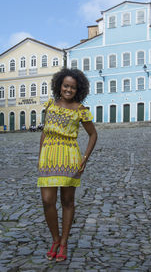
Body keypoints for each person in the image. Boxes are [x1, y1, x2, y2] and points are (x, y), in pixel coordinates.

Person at [37, 68, 97, 262]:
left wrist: (85, 158)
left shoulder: (81, 110)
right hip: (49, 157)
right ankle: (55, 239)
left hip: (69, 158)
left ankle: (63, 243)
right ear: (59, 86)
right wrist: (40, 157)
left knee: (67, 202)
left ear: (78, 89)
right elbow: (45, 132)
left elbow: (93, 135)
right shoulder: (50, 105)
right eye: (65, 86)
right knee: (47, 201)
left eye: (72, 87)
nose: (68, 90)